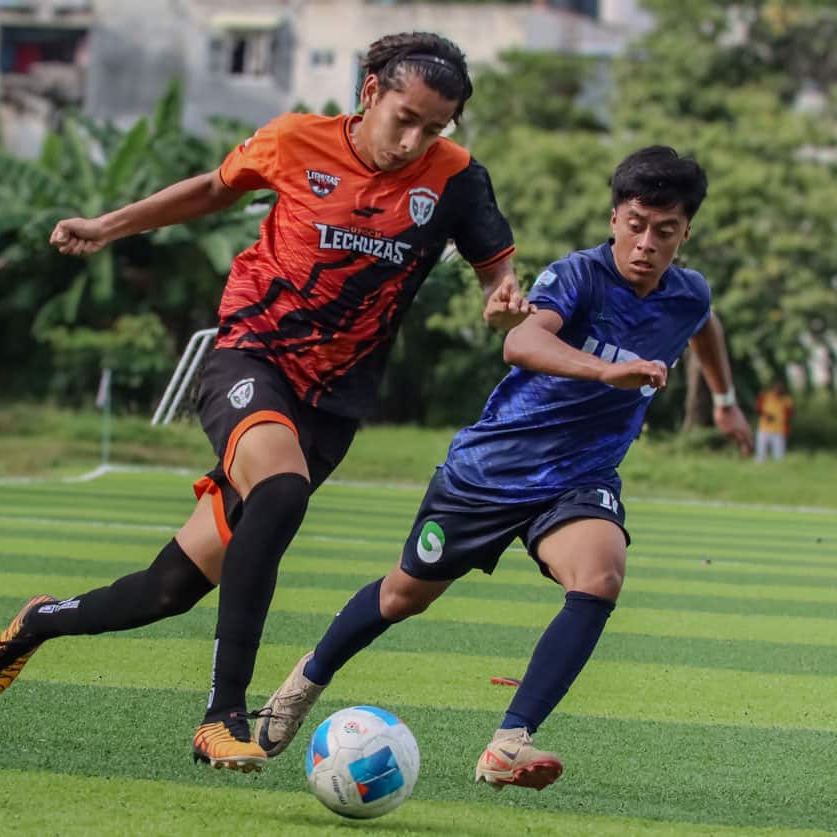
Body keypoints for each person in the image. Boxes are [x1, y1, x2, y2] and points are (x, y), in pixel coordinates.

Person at [0, 32, 533, 774]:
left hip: (334, 405)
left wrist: (502, 300)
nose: (413, 140)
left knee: (166, 590)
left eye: (433, 127)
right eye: (405, 118)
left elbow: (496, 273)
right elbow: (211, 189)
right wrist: (106, 226)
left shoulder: (455, 177)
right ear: (370, 92)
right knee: (281, 488)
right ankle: (223, 715)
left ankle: (41, 620)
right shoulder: (296, 139)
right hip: (251, 357)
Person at [255, 146, 753, 791]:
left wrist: (725, 400)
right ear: (614, 219)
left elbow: (704, 324)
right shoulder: (578, 276)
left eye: (665, 230)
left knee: (600, 577)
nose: (646, 243)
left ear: (686, 233)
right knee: (403, 596)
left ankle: (509, 742)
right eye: (635, 225)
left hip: (579, 478)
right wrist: (607, 370)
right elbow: (521, 341)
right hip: (490, 473)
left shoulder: (688, 293)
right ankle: (306, 680)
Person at [755, 377, 794, 461]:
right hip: (764, 429)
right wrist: (766, 416)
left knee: (779, 457)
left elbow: (789, 416)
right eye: (777, 387)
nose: (778, 390)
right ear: (773, 387)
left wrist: (787, 429)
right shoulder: (765, 396)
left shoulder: (786, 400)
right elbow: (758, 409)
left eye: (780, 388)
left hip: (779, 431)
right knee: (760, 456)